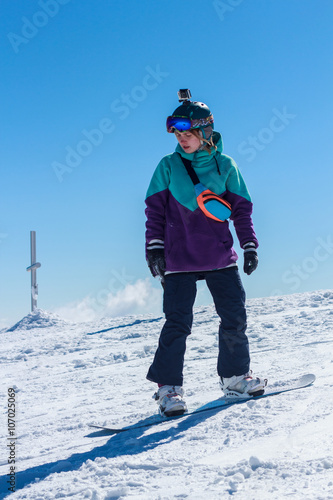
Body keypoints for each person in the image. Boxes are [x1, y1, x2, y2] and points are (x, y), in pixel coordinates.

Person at [145, 89, 266, 417]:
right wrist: (154, 248)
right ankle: (168, 390)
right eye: (178, 133)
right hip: (178, 259)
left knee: (234, 316)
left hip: (219, 256)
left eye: (189, 133)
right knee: (178, 322)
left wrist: (249, 245)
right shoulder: (168, 166)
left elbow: (242, 210)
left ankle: (235, 378)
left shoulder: (225, 165)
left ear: (205, 132)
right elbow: (154, 211)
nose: (182, 139)